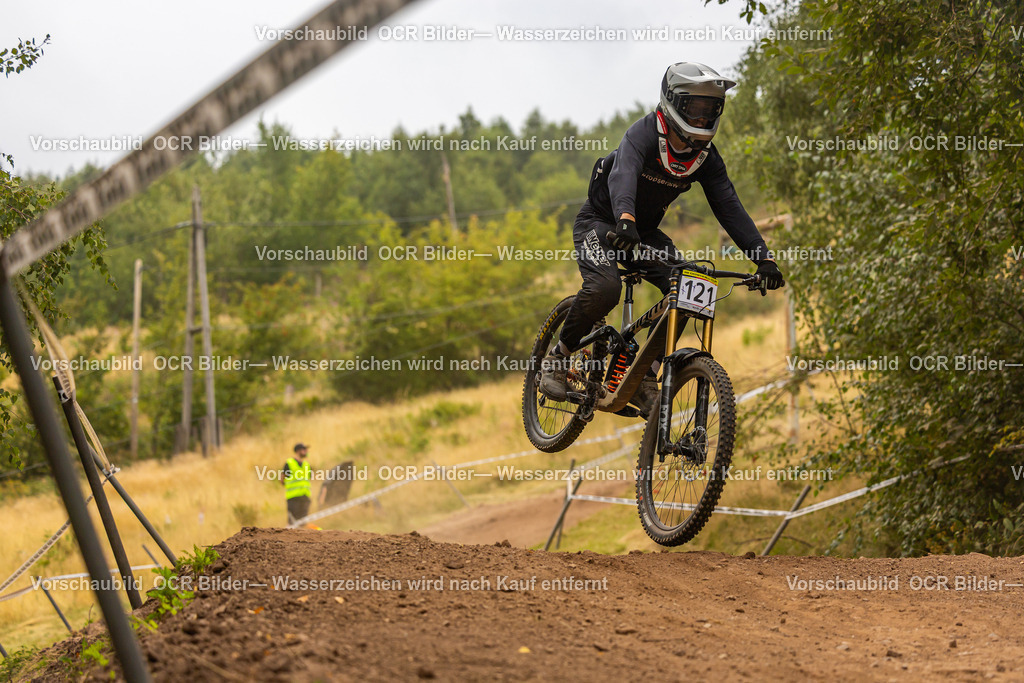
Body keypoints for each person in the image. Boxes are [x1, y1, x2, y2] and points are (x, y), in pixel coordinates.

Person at [539, 62, 784, 416]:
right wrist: (625, 217)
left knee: (689, 287)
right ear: (673, 102)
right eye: (694, 108)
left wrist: (763, 258)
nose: (702, 118)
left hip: (643, 235)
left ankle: (644, 376)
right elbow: (623, 174)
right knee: (605, 288)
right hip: (602, 223)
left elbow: (730, 207)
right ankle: (558, 357)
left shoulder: (706, 159)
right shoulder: (643, 134)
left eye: (710, 109)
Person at [282, 443, 313, 525]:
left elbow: (309, 479)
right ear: (298, 451)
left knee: (303, 523)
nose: (306, 451)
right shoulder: (289, 463)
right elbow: (282, 479)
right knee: (292, 522)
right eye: (304, 449)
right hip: (293, 498)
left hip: (305, 497)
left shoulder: (307, 465)